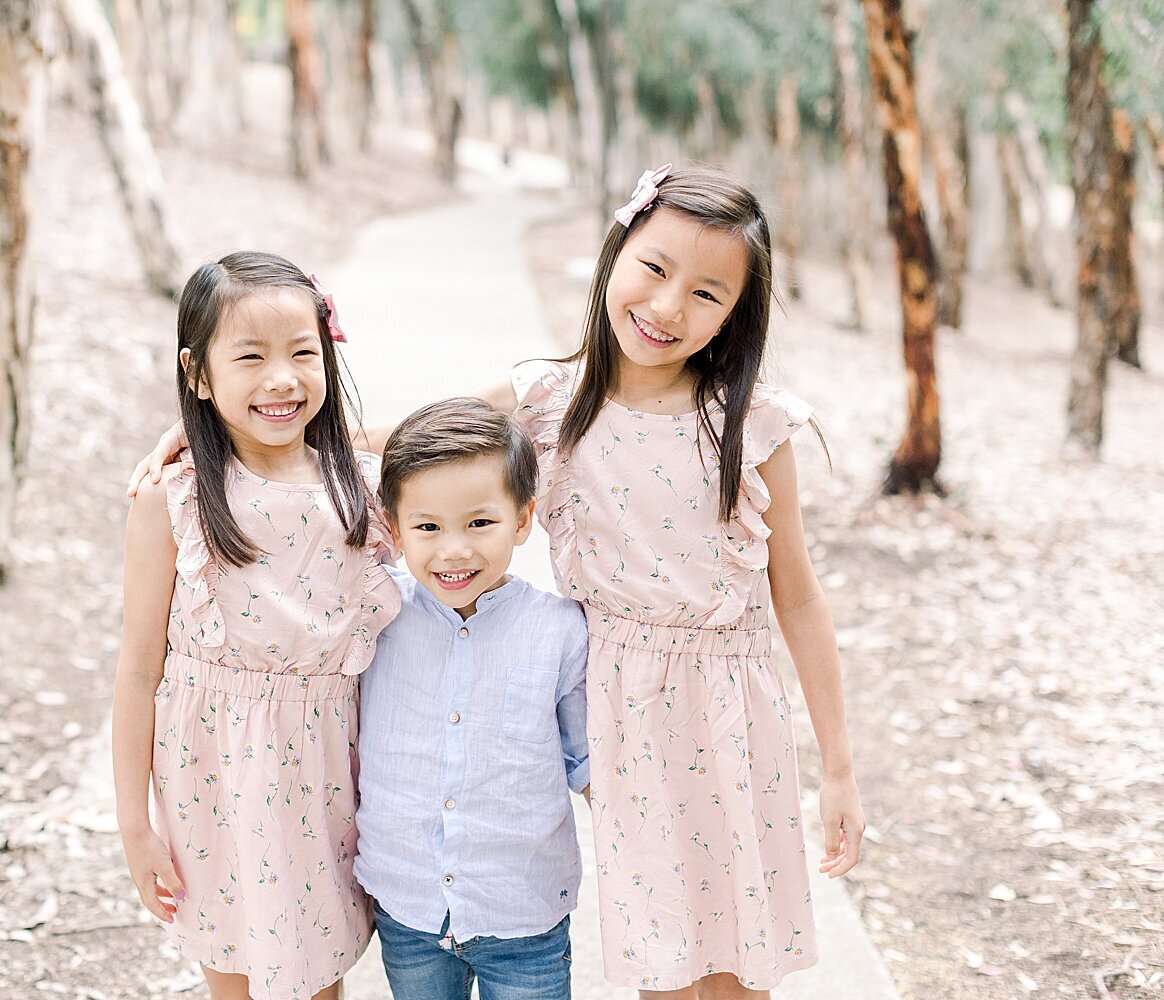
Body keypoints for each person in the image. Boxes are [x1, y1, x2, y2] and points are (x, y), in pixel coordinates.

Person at [129, 164, 866, 999]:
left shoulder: (750, 424)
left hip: (732, 718)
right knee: (664, 965)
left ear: (738, 312)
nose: (667, 308)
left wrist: (837, 766)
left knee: (738, 962)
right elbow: (401, 441)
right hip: (620, 708)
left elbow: (796, 594)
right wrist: (209, 427)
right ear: (614, 253)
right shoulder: (551, 397)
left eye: (707, 293)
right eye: (654, 269)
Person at [111, 251, 399, 1000]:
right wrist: (134, 826)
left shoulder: (361, 488)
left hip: (327, 774)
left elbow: (466, 432)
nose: (282, 378)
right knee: (234, 976)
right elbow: (139, 671)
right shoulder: (171, 501)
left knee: (317, 979)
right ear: (197, 375)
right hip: (213, 776)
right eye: (250, 357)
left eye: (303, 352)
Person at [356, 398, 590, 999]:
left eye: (479, 523)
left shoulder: (559, 629)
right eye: (427, 527)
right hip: (408, 903)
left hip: (524, 912)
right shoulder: (374, 614)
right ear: (393, 526)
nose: (453, 550)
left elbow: (587, 759)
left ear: (522, 518)